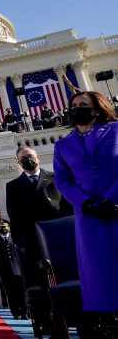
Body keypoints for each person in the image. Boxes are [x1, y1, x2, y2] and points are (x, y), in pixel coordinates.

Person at [53, 91, 118, 313]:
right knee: (102, 272)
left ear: (96, 109)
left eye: (83, 104)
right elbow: (63, 181)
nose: (76, 108)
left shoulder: (116, 130)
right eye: (73, 105)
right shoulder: (62, 146)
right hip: (90, 216)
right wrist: (87, 203)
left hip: (116, 206)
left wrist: (111, 199)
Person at [5, 145, 72, 288]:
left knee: (66, 276)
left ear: (38, 157)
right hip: (33, 240)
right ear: (18, 162)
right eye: (23, 158)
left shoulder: (55, 178)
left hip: (59, 235)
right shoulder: (13, 186)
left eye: (30, 156)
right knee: (40, 281)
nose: (27, 160)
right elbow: (14, 214)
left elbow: (67, 206)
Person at [0, 221, 27, 320]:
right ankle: (15, 312)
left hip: (18, 270)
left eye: (6, 227)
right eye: (2, 228)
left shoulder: (15, 238)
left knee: (21, 292)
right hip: (4, 271)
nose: (4, 229)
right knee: (10, 293)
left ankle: (24, 313)